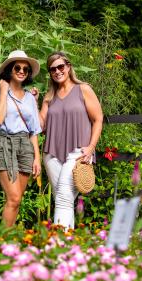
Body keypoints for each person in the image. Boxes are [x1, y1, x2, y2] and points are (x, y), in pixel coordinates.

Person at [39, 51, 103, 229]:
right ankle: (70, 247)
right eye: (53, 69)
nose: (57, 71)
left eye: (61, 67)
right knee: (63, 199)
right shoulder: (49, 96)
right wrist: (36, 101)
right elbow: (40, 126)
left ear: (68, 67)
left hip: (78, 152)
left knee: (63, 198)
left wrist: (91, 148)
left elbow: (98, 118)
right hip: (51, 154)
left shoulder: (83, 89)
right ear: (50, 73)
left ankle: (59, 245)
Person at [0, 50, 42, 227]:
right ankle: (2, 243)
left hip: (25, 145)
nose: (22, 71)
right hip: (4, 142)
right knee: (13, 198)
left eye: (26, 69)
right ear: (9, 69)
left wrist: (37, 158)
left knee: (16, 200)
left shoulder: (30, 97)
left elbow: (34, 130)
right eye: (17, 67)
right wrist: (3, 91)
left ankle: (8, 241)